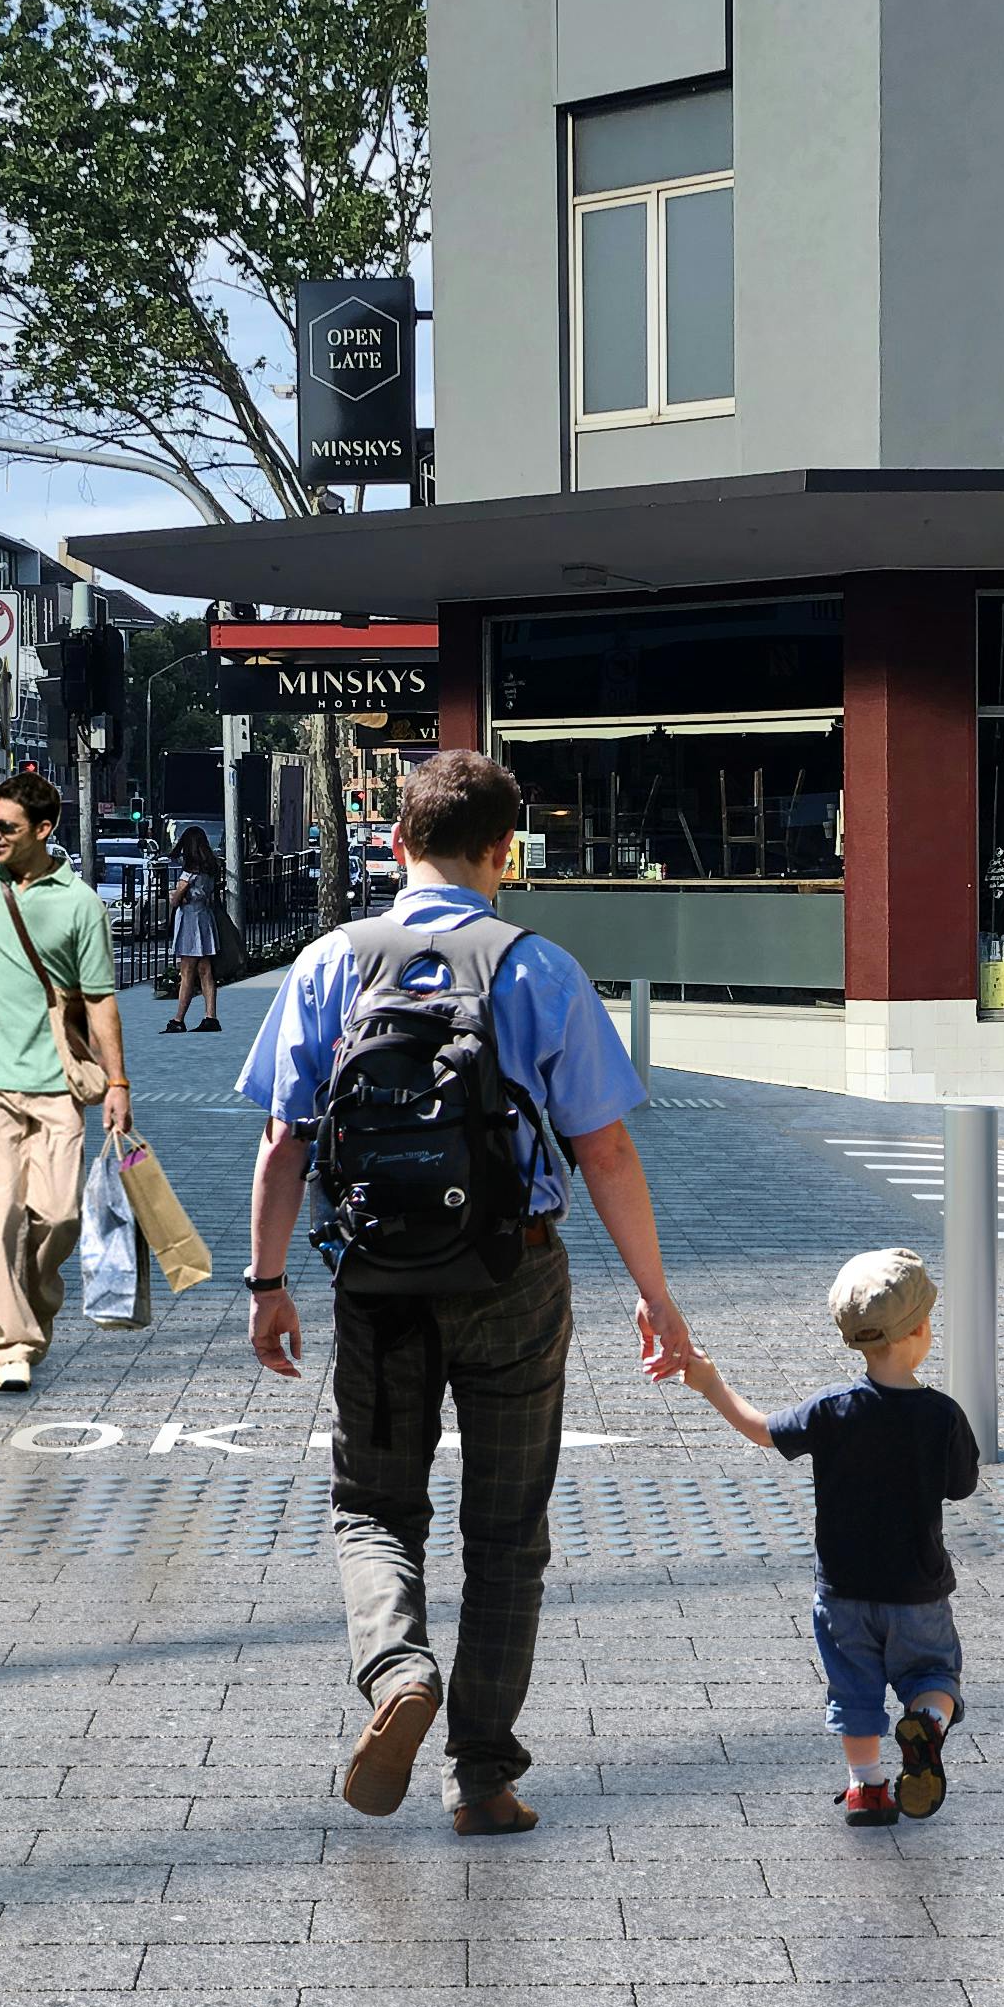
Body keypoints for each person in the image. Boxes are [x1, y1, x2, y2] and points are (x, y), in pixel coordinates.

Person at [241, 749, 690, 1836]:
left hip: (379, 1280)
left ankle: (397, 1673)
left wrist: (267, 1284)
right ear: (506, 854)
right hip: (514, 1270)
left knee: (373, 1506)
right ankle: (483, 1776)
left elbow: (282, 1141)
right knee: (506, 1533)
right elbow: (609, 1150)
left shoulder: (333, 961)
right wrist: (655, 1296)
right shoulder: (539, 969)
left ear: (398, 843)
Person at [678, 1248, 979, 1826]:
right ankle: (928, 1726)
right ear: (920, 1330)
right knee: (933, 1675)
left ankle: (866, 1789)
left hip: (842, 1592)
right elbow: (961, 1487)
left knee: (854, 1689)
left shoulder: (831, 1408)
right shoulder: (943, 1416)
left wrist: (710, 1382)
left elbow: (763, 1431)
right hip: (917, 1590)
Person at [0, 769, 129, 1395]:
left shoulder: (78, 903)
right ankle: (10, 1344)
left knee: (57, 1217)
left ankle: (36, 1301)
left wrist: (118, 1084)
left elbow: (102, 1001)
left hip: (59, 1081)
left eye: (7, 827)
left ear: (43, 830)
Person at [166, 828, 227, 1033]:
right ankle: (211, 1016)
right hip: (205, 917)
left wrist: (176, 895)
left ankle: (178, 1020)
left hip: (190, 921)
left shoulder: (189, 872)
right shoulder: (210, 869)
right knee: (206, 971)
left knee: (187, 971)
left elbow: (175, 900)